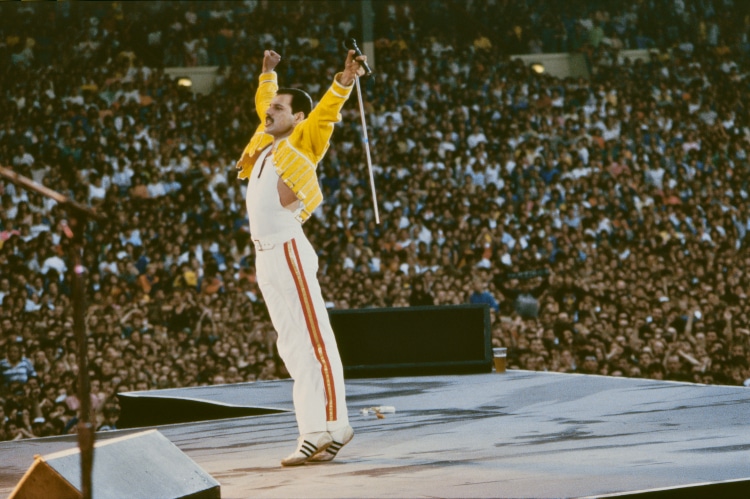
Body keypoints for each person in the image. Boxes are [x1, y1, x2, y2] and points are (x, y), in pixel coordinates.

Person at [235, 48, 366, 466]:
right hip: (265, 256)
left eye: (279, 109)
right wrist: (267, 76)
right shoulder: (265, 143)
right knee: (292, 345)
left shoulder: (303, 141)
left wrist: (344, 80)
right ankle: (312, 432)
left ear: (296, 119)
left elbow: (324, 113)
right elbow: (264, 105)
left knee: (316, 340)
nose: (269, 112)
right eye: (270, 108)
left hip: (289, 248)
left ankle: (335, 424)